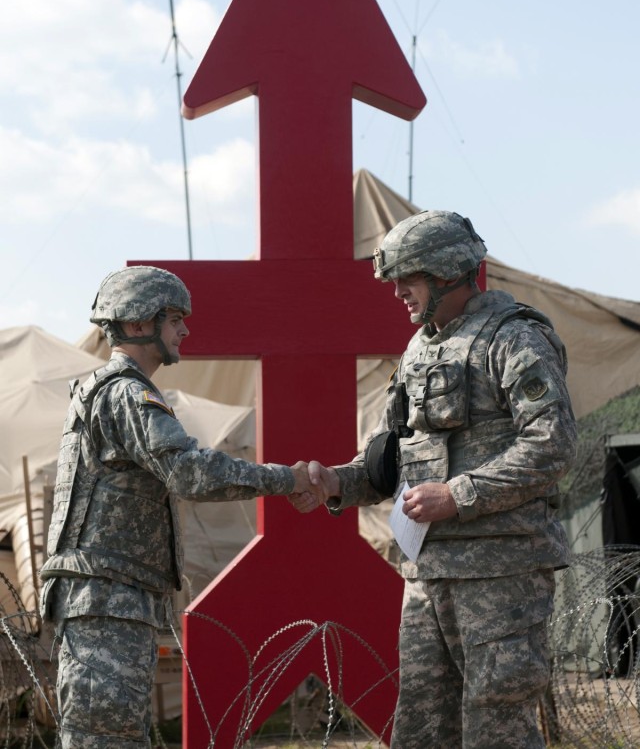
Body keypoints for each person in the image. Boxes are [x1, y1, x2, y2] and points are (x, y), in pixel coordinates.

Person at [290, 210, 577, 749]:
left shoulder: (515, 339)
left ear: (448, 271)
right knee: (422, 731)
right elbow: (387, 463)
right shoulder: (419, 351)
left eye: (409, 278)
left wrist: (457, 495)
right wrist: (335, 482)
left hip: (501, 573)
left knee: (498, 729)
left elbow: (552, 444)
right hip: (427, 575)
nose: (398, 292)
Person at [40, 265, 316, 749]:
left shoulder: (108, 392)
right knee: (107, 739)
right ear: (139, 323)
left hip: (114, 601)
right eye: (174, 319)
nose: (184, 329)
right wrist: (286, 478)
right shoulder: (127, 394)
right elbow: (191, 473)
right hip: (108, 603)